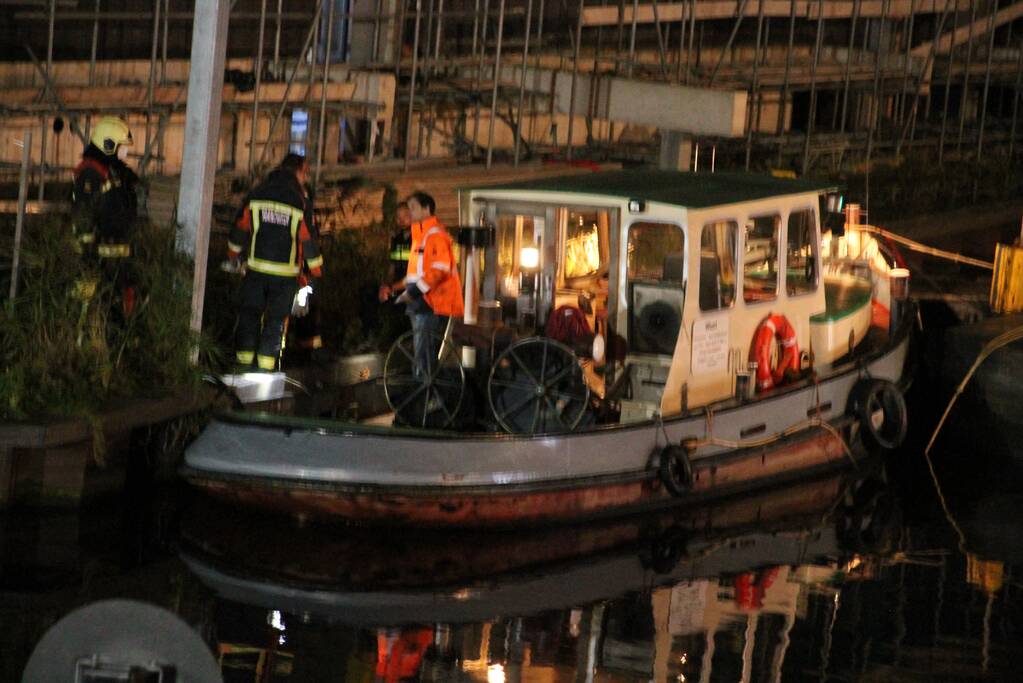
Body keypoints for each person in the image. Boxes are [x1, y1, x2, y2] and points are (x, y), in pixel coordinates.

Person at [228, 153, 323, 372]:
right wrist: (316, 271)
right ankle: (266, 371)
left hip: (255, 270)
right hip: (285, 275)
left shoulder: (256, 194)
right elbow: (308, 239)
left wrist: (233, 256)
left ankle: (242, 367)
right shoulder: (300, 202)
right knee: (275, 321)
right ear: (300, 171)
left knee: (249, 315)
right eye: (305, 174)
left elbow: (240, 228)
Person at [71, 115, 139, 311]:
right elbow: (84, 215)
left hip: (116, 258)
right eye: (121, 147)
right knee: (100, 306)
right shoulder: (91, 174)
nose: (125, 152)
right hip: (99, 260)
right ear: (108, 145)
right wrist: (88, 259)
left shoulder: (113, 172)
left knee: (121, 303)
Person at [395, 192, 463, 374]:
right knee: (421, 350)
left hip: (431, 302)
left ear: (427, 209)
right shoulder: (421, 235)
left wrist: (413, 292)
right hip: (422, 301)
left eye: (413, 208)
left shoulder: (435, 235)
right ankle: (425, 391)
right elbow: (416, 274)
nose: (409, 212)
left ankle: (427, 393)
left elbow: (438, 270)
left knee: (424, 353)